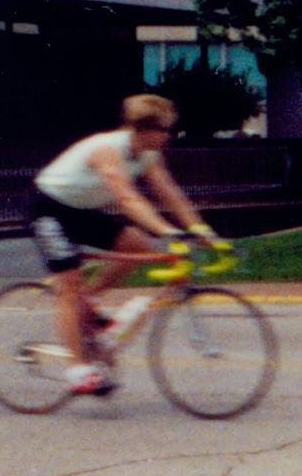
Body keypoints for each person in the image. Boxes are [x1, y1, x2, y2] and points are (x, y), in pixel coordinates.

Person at [28, 93, 223, 396]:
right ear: (142, 129)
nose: (168, 136)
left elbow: (170, 193)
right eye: (163, 129)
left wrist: (200, 229)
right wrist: (169, 232)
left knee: (141, 248)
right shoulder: (108, 149)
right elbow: (127, 198)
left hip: (81, 210)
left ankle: (89, 302)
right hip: (49, 208)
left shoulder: (148, 155)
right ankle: (79, 370)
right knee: (69, 284)